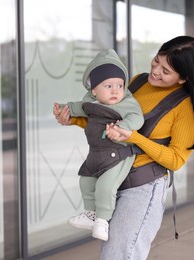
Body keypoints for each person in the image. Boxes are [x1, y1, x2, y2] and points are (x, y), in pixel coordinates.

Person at [54, 36, 194, 259]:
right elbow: (106, 122)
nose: (156, 71)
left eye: (166, 70)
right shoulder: (137, 82)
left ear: (183, 78)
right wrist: (72, 119)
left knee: (118, 255)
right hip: (112, 177)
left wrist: (135, 137)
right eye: (156, 61)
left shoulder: (185, 108)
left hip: (143, 187)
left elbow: (176, 160)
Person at [53, 49, 144, 241]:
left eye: (120, 85)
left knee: (105, 186)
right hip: (95, 154)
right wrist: (63, 108)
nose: (115, 90)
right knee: (85, 180)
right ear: (94, 90)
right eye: (108, 86)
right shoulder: (91, 103)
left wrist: (123, 127)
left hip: (118, 154)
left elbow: (137, 118)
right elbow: (76, 107)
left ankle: (103, 221)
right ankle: (91, 214)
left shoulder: (127, 103)